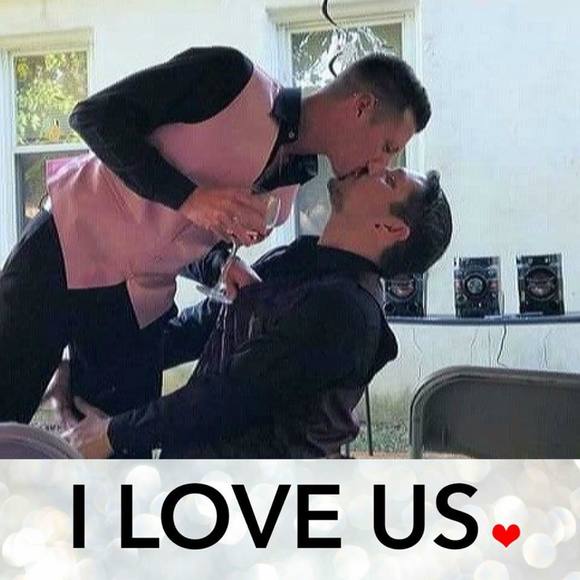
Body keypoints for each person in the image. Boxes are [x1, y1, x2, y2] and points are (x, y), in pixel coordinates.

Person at [0, 46, 431, 452]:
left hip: (133, 311)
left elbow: (176, 236)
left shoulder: (289, 190)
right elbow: (94, 117)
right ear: (361, 106)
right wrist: (190, 198)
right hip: (60, 252)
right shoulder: (231, 78)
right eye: (388, 148)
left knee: (112, 465)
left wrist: (218, 263)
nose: (380, 165)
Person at [62, 166, 452, 459]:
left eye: (389, 180)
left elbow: (229, 396)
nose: (372, 166)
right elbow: (203, 327)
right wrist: (80, 363)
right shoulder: (298, 260)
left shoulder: (347, 312)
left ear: (390, 228)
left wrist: (112, 434)